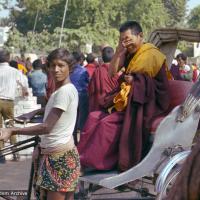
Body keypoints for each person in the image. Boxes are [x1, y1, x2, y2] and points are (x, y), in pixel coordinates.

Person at [78, 21, 171, 171]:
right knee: (93, 117)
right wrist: (119, 50)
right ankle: (81, 158)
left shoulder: (151, 54)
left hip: (148, 101)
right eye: (123, 40)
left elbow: (157, 86)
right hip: (129, 98)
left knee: (106, 123)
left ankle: (97, 164)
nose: (126, 43)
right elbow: (111, 72)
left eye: (128, 39)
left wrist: (136, 81)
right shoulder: (128, 52)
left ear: (140, 36)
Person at [0, 48, 80, 200]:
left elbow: (46, 127)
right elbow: (57, 107)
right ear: (48, 67)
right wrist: (35, 112)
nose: (56, 70)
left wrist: (13, 131)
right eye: (52, 65)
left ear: (70, 67)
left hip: (59, 159)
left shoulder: (63, 92)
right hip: (61, 154)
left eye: (61, 65)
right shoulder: (65, 89)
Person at [0, 49, 28, 163]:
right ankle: (15, 152)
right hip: (8, 103)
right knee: (10, 127)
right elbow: (24, 83)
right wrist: (24, 91)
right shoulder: (14, 71)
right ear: (8, 58)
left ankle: (1, 154)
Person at [88, 46, 120, 112]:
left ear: (102, 57)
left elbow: (91, 89)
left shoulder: (97, 71)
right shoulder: (117, 71)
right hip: (112, 105)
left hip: (98, 105)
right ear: (114, 57)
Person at [70, 51, 89, 131]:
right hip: (82, 96)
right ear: (80, 60)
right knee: (82, 118)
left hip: (70, 95)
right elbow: (88, 82)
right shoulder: (84, 71)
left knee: (72, 117)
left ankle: (73, 135)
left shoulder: (69, 70)